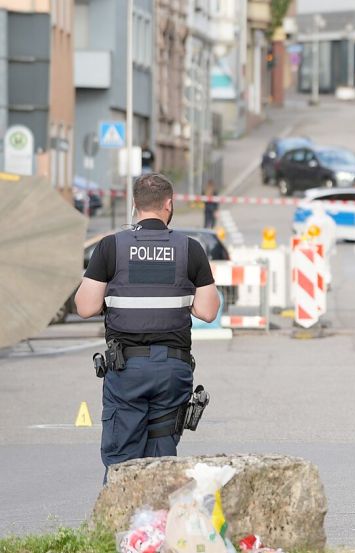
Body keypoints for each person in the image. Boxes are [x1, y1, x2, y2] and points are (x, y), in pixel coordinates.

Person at [75, 173, 220, 476]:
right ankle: (160, 506)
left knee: (123, 463)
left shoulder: (111, 247)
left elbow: (85, 307)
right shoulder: (190, 249)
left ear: (134, 205)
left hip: (126, 370)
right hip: (172, 371)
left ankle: (123, 506)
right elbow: (208, 312)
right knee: (162, 464)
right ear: (169, 204)